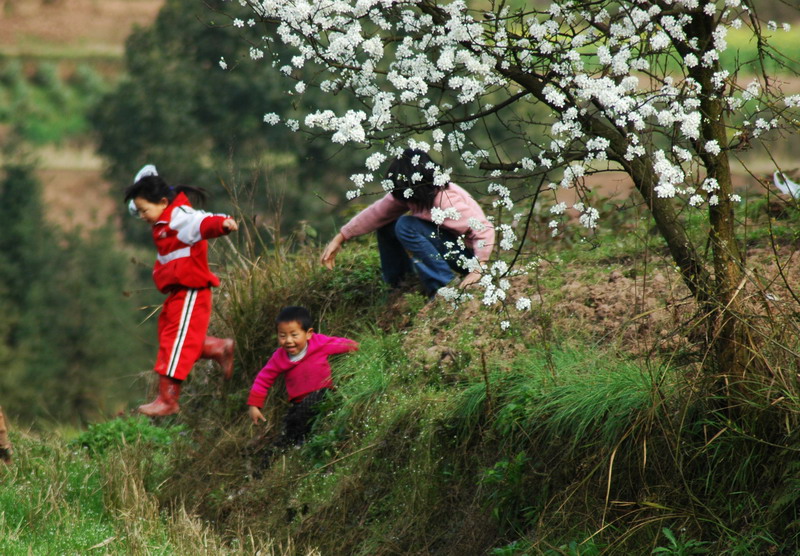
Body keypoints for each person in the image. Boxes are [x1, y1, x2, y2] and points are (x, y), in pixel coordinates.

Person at [125, 165, 238, 417]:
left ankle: (168, 398)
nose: (142, 216)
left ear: (163, 201)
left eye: (145, 210)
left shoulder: (179, 217)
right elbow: (139, 205)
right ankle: (219, 348)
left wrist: (223, 224)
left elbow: (202, 221)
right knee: (169, 336)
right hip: (178, 291)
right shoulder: (162, 217)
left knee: (175, 341)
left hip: (191, 290)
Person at [321, 148, 495, 298]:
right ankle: (399, 284)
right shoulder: (410, 194)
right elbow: (376, 213)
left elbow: (484, 230)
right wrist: (341, 237)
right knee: (387, 225)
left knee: (406, 224)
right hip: (447, 247)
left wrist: (477, 269)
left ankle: (443, 286)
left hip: (468, 257)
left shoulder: (445, 199)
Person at [247, 306, 358, 449]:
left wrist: (361, 347)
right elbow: (263, 379)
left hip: (324, 394)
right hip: (298, 403)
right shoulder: (279, 357)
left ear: (308, 333)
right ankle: (287, 446)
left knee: (307, 408)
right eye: (282, 335)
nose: (288, 340)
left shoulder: (320, 343)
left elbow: (342, 344)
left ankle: (302, 440)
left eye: (294, 335)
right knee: (290, 424)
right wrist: (254, 405)